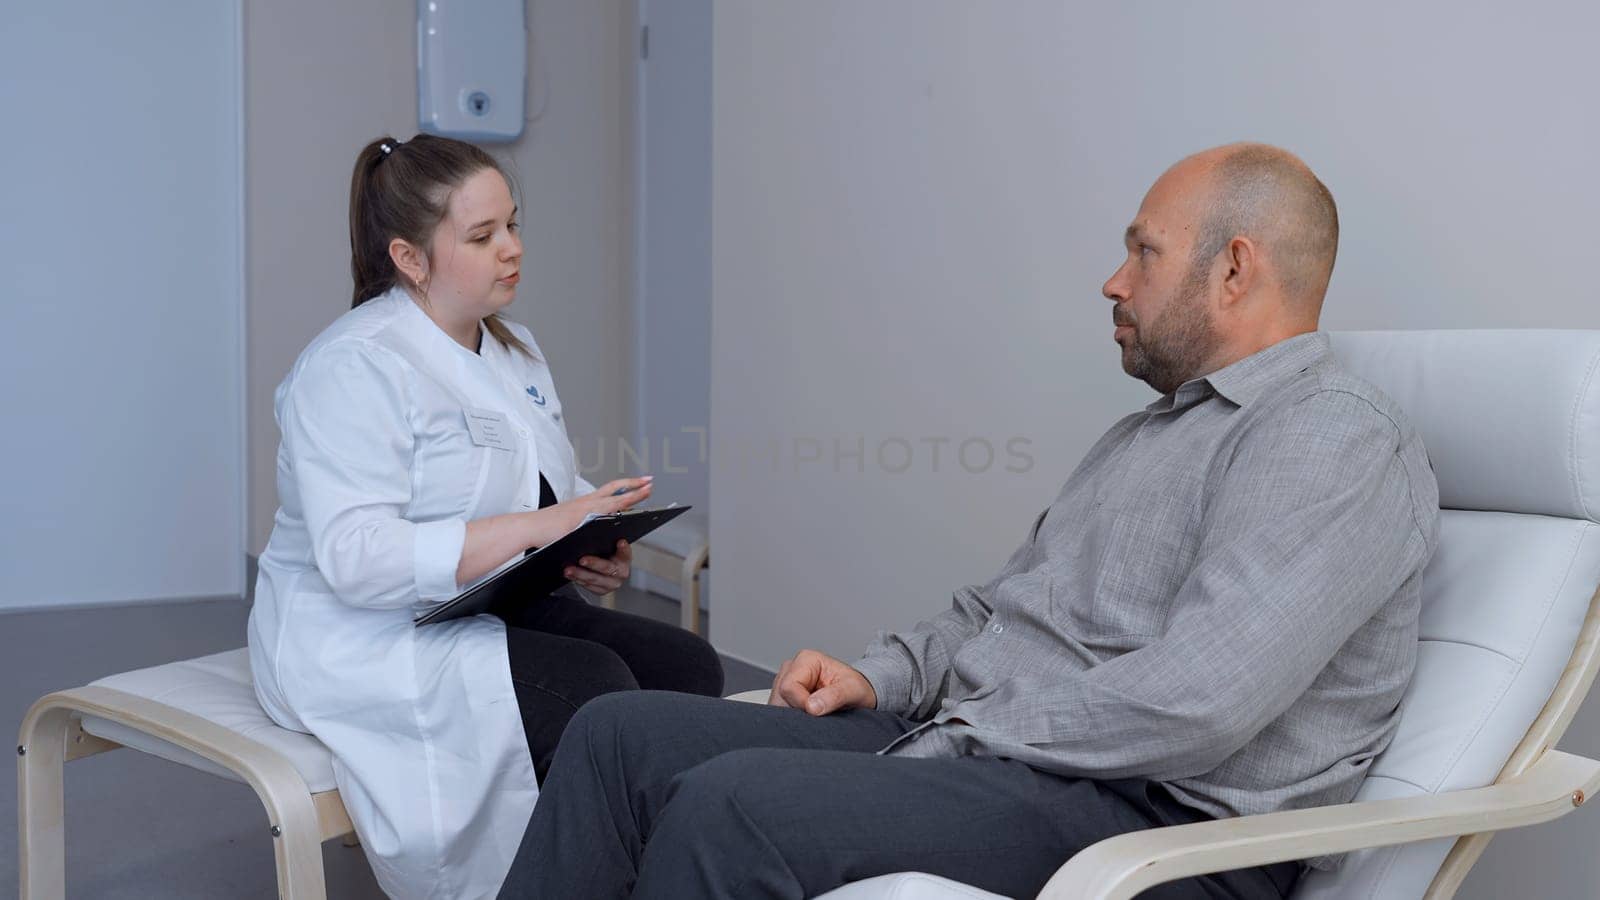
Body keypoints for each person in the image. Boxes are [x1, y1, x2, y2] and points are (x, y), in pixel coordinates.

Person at [496, 143, 1441, 900]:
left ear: (1234, 269)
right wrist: (881, 675)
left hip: (1150, 822)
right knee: (619, 736)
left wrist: (969, 726)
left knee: (730, 809)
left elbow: (1193, 704)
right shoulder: (1147, 434)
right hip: (1005, 757)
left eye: (1143, 251)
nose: (1114, 281)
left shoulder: (1332, 441)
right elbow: (1001, 610)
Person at [246, 133, 724, 900]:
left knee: (687, 669)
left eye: (513, 224)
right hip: (363, 634)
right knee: (597, 693)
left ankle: (672, 869)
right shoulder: (351, 367)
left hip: (490, 600)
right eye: (482, 235)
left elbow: (550, 488)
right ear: (409, 257)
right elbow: (357, 558)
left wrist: (594, 542)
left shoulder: (513, 350)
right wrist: (546, 527)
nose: (512, 249)